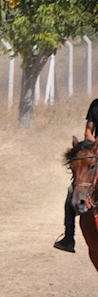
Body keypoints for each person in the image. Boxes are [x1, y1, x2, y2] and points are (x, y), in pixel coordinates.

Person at [54, 98, 98, 252]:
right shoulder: (95, 105)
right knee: (73, 191)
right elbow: (88, 131)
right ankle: (68, 238)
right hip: (97, 152)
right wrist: (94, 146)